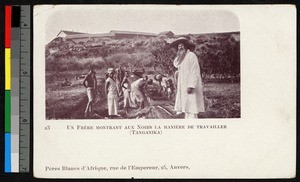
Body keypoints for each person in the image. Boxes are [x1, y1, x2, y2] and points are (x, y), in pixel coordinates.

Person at [171, 37, 205, 118]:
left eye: (182, 45)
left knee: (192, 107)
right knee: (186, 107)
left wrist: (191, 86)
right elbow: (176, 64)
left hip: (190, 86)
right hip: (183, 85)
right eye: (179, 46)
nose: (180, 48)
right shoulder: (181, 58)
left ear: (186, 46)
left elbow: (195, 72)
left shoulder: (191, 55)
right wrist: (179, 55)